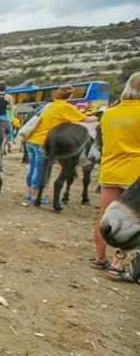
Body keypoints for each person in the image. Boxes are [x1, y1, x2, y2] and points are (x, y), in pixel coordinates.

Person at [91, 72, 140, 281]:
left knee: (105, 215)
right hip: (135, 173)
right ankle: (117, 263)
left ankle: (100, 257)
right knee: (130, 220)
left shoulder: (109, 114)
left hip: (110, 169)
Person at [23, 85, 98, 205]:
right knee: (39, 170)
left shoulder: (49, 105)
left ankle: (29, 194)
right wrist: (95, 117)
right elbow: (84, 119)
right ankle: (35, 196)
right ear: (70, 95)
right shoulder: (66, 106)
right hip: (42, 141)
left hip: (31, 139)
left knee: (32, 168)